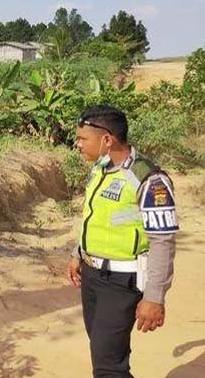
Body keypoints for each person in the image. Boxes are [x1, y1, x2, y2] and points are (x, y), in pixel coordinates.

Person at [66, 105, 178, 378]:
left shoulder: (150, 180)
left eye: (83, 139)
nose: (77, 144)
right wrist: (78, 253)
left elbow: (162, 241)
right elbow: (98, 216)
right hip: (92, 276)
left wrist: (154, 297)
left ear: (107, 140)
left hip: (121, 283)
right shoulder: (100, 169)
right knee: (104, 351)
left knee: (107, 367)